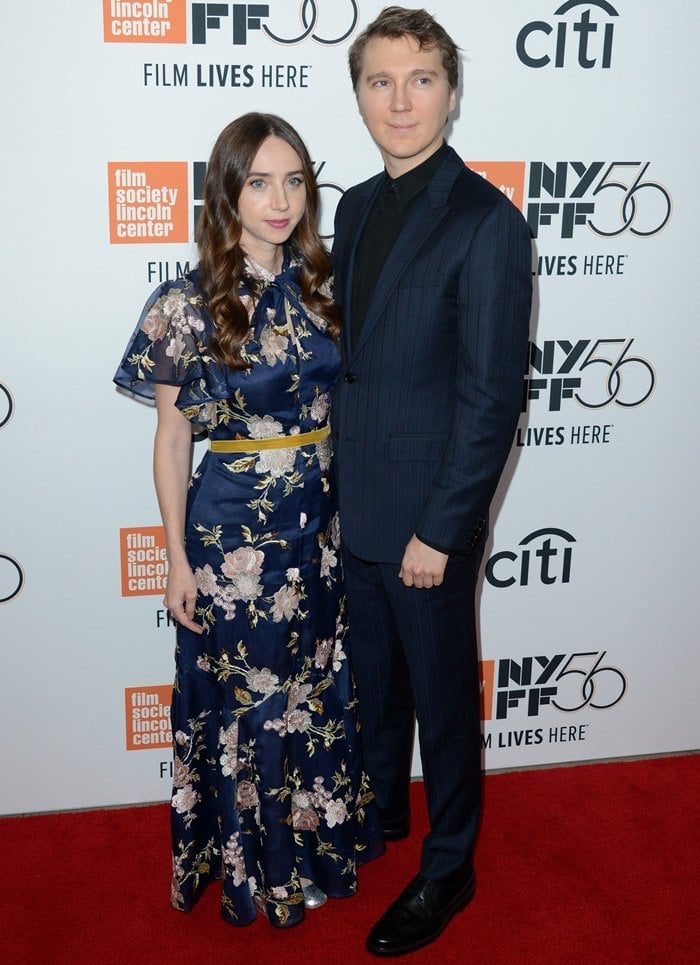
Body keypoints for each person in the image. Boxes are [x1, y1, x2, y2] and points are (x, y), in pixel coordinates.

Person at [114, 112, 383, 930]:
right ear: (225, 192)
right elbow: (171, 439)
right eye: (259, 182)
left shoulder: (329, 285)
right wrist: (174, 557)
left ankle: (307, 848)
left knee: (312, 691)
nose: (281, 199)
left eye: (295, 180)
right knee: (249, 701)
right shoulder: (184, 304)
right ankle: (258, 867)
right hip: (232, 538)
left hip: (318, 533)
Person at [331, 7, 533, 956]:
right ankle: (382, 817)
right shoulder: (355, 207)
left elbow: (492, 398)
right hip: (356, 507)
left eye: (420, 79)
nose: (400, 100)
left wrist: (444, 530)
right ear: (361, 96)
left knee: (445, 705)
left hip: (427, 526)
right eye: (380, 80)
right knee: (376, 688)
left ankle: (449, 864)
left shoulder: (488, 223)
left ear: (452, 91)